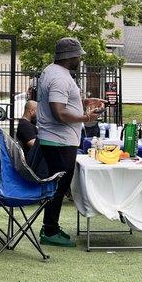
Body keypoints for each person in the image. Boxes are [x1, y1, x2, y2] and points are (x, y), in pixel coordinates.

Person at [37, 37, 103, 247]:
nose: (80, 58)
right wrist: (86, 118)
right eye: (78, 55)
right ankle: (49, 230)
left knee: (58, 184)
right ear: (70, 56)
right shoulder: (59, 77)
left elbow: (62, 101)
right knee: (59, 185)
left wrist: (83, 103)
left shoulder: (52, 71)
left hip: (57, 140)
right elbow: (59, 112)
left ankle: (51, 226)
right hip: (59, 141)